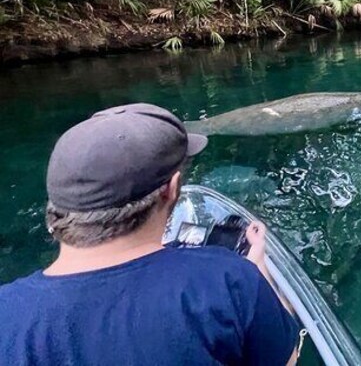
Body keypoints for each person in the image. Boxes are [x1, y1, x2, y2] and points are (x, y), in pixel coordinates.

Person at [0, 103, 300, 366]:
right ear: (171, 189)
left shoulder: (7, 310)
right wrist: (259, 271)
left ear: (58, 202)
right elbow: (286, 359)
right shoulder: (229, 280)